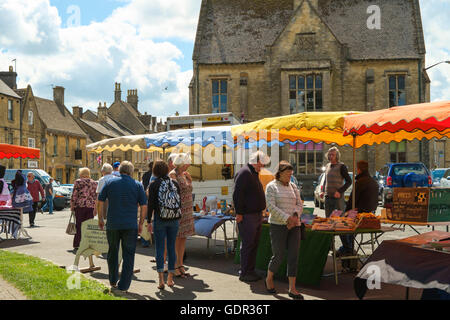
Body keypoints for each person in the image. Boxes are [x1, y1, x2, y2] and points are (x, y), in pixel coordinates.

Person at [98, 161, 147, 293]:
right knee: (129, 254)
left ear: (119, 171)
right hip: (130, 225)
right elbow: (144, 206)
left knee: (113, 252)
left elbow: (100, 200)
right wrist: (141, 223)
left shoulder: (110, 183)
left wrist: (101, 218)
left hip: (113, 223)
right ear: (131, 172)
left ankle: (113, 280)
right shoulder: (137, 185)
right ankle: (124, 285)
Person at [265, 161, 304, 299]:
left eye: (291, 174)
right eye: (287, 174)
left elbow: (300, 204)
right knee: (279, 255)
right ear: (280, 173)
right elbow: (271, 206)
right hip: (278, 225)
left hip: (295, 226)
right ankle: (269, 278)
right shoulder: (271, 187)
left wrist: (295, 216)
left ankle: (292, 288)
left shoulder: (293, 186)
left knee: (294, 255)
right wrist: (287, 218)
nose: (289, 177)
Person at [233, 151, 269, 282]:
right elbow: (237, 194)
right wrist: (239, 213)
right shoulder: (245, 173)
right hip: (248, 216)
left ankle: (250, 270)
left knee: (253, 244)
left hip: (254, 215)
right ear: (256, 161)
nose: (263, 166)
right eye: (262, 163)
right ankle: (245, 272)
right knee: (249, 244)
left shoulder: (251, 172)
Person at [147, 160, 180, 289]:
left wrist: (148, 221)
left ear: (154, 171)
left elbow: (150, 205)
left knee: (160, 248)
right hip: (174, 219)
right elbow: (179, 203)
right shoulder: (175, 183)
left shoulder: (154, 185)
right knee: (172, 248)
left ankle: (161, 279)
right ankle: (170, 279)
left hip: (160, 219)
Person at [342, 161, 379, 255]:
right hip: (371, 215)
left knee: (341, 227)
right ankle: (347, 248)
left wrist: (346, 213)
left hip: (360, 214)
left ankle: (348, 250)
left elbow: (352, 201)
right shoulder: (374, 182)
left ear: (359, 170)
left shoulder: (360, 182)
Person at [169, 153, 194, 278]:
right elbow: (174, 192)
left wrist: (189, 180)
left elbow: (188, 189)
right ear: (182, 163)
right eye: (187, 163)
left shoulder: (184, 175)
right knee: (176, 238)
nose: (189, 165)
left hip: (187, 211)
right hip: (179, 211)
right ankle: (174, 265)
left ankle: (180, 264)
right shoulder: (173, 174)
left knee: (183, 238)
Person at [71, 168, 98, 252]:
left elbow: (74, 195)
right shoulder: (94, 183)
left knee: (79, 225)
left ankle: (77, 244)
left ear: (81, 173)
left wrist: (72, 205)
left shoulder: (78, 182)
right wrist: (96, 208)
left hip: (80, 206)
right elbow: (95, 197)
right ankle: (88, 244)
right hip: (90, 207)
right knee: (88, 226)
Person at [320, 147, 352, 218]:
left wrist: (340, 191)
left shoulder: (342, 166)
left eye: (333, 155)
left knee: (338, 219)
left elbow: (349, 181)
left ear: (337, 156)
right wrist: (322, 191)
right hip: (328, 197)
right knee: (328, 218)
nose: (331, 156)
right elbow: (326, 180)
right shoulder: (327, 166)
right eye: (329, 155)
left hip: (337, 199)